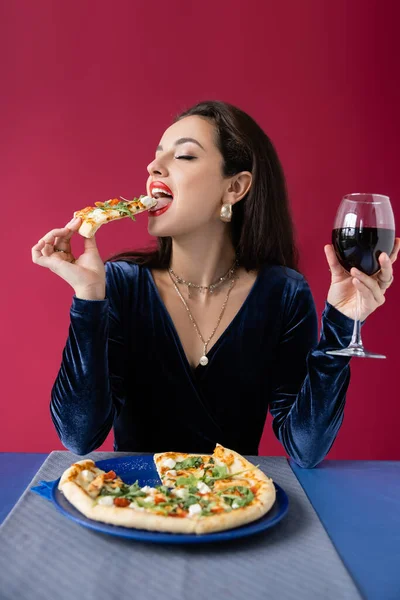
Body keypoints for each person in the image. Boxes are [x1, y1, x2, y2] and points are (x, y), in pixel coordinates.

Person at [31, 100, 399, 468]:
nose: (153, 167)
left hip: (237, 510)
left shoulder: (284, 293)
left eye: (185, 156)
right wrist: (89, 299)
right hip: (134, 505)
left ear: (235, 187)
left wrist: (341, 324)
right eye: (157, 156)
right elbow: (78, 436)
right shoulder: (120, 286)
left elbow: (306, 448)